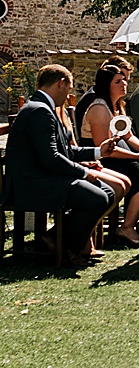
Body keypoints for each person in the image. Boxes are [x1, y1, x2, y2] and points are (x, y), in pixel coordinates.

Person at [0, 65, 119, 265]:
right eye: (69, 88)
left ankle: (55, 240)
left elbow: (66, 151)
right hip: (32, 183)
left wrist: (99, 151)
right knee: (97, 198)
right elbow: (51, 158)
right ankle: (69, 249)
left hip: (43, 177)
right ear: (60, 83)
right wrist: (84, 172)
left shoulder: (44, 108)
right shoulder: (39, 111)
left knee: (107, 192)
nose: (68, 94)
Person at [73, 65, 139, 246]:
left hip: (120, 156)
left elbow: (128, 135)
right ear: (106, 85)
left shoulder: (117, 106)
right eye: (118, 81)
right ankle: (127, 226)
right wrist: (137, 157)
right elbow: (106, 149)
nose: (124, 83)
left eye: (124, 79)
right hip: (102, 159)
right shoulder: (100, 108)